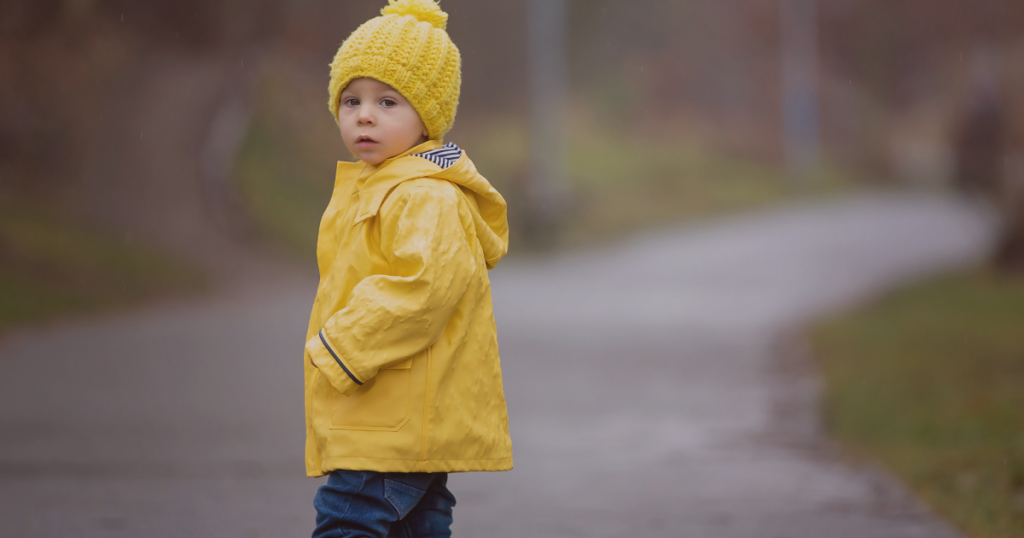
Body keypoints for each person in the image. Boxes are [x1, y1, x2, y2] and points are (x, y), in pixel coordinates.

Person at [302, 1, 513, 536]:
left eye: (388, 101)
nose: (364, 115)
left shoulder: (421, 195)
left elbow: (425, 286)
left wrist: (344, 343)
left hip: (387, 413)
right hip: (393, 415)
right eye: (351, 100)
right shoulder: (379, 185)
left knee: (347, 520)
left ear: (428, 118)